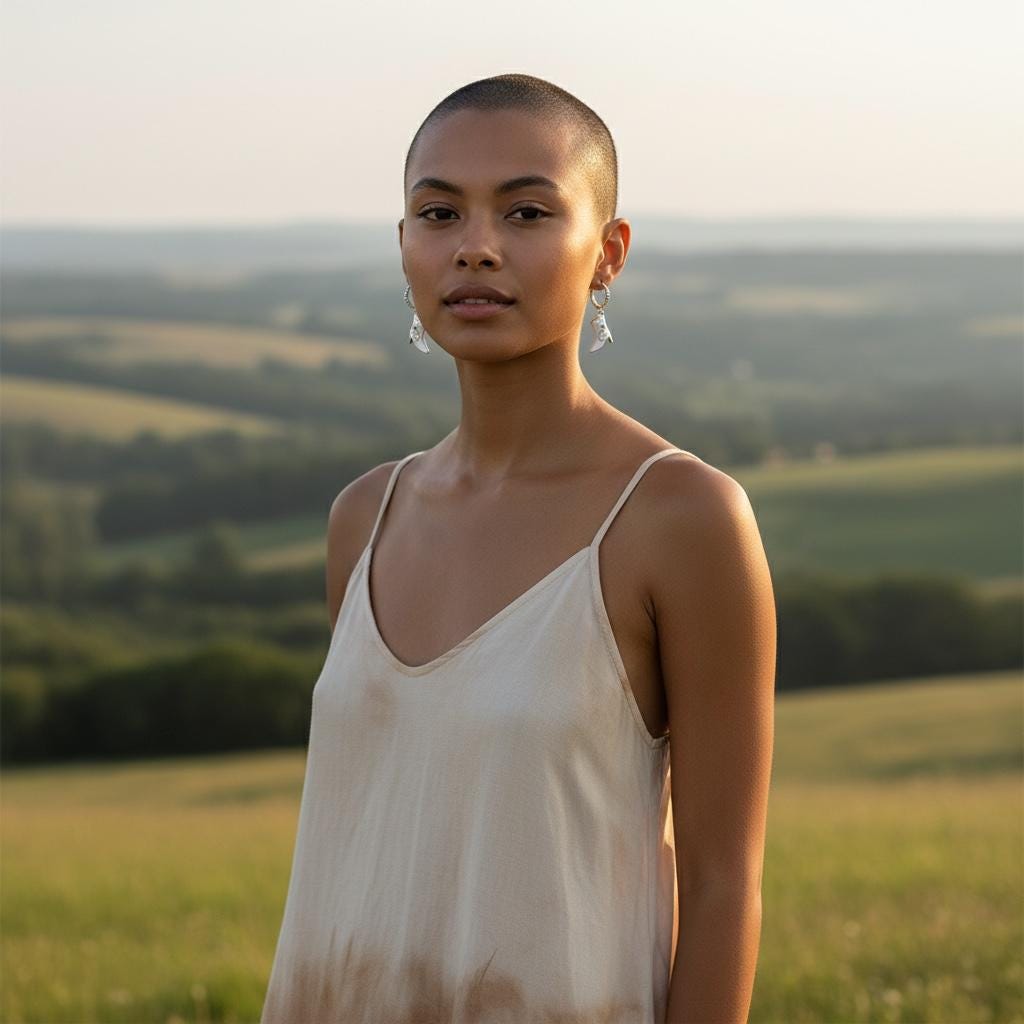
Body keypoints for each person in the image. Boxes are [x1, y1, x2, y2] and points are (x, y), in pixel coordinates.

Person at [260, 72, 776, 1024]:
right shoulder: (364, 518)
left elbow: (721, 884)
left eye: (528, 211)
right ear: (404, 246)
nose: (477, 248)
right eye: (439, 212)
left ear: (608, 252)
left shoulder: (682, 518)